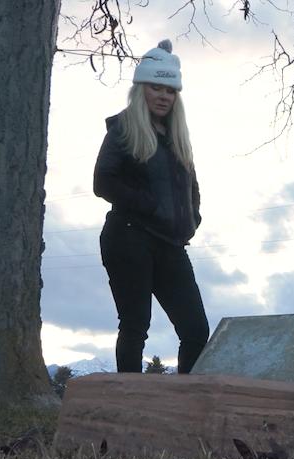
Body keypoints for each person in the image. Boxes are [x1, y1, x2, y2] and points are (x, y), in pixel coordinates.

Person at [93, 39, 209, 374]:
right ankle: (128, 406)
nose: (163, 96)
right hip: (128, 237)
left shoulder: (177, 137)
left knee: (196, 330)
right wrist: (152, 207)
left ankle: (185, 408)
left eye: (170, 90)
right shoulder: (124, 128)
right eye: (156, 87)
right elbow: (104, 181)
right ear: (141, 88)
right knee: (135, 325)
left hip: (171, 243)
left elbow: (192, 187)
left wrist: (192, 218)